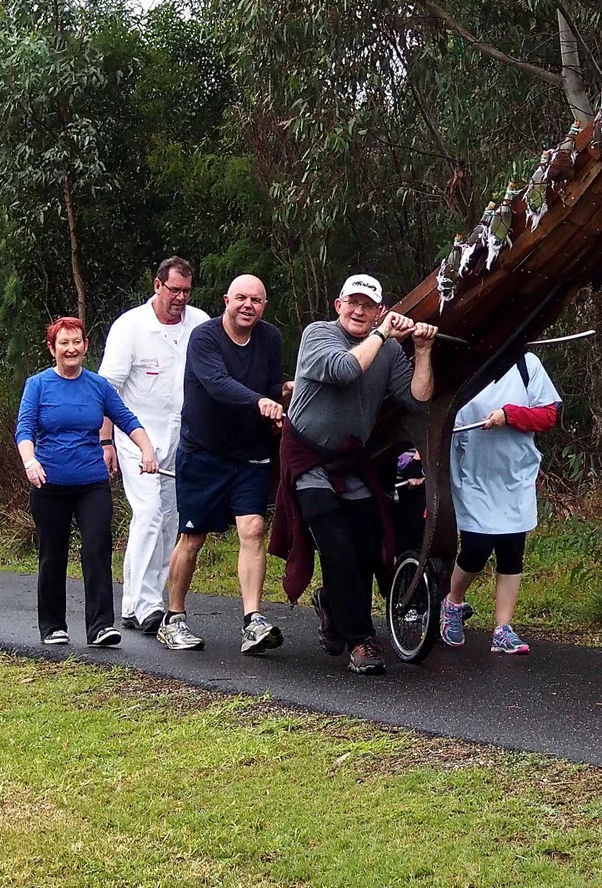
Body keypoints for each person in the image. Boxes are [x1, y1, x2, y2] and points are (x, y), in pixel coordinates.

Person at [269, 274, 437, 675]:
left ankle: (331, 602)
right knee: (335, 542)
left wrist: (423, 349)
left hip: (351, 460)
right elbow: (346, 370)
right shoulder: (318, 336)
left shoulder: (390, 350)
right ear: (338, 305)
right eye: (353, 303)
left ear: (379, 308)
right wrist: (383, 333)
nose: (360, 311)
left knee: (366, 548)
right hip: (307, 455)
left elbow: (417, 400)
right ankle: (361, 641)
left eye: (369, 306)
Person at [156, 274, 287, 655]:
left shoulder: (271, 338)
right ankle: (174, 618)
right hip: (203, 453)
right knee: (192, 538)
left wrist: (283, 392)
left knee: (253, 528)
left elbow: (270, 385)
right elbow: (217, 383)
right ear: (227, 300)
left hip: (250, 453)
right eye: (242, 298)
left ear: (264, 305)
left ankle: (253, 620)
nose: (249, 306)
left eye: (257, 300)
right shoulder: (205, 337)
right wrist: (260, 401)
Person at [16, 317, 159, 648]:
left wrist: (147, 450)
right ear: (52, 348)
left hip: (91, 482)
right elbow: (24, 429)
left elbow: (126, 419)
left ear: (85, 345)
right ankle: (52, 625)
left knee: (96, 546)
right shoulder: (37, 385)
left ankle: (100, 626)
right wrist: (30, 461)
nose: (71, 349)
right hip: (49, 482)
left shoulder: (98, 386)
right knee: (53, 553)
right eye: (64, 343)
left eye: (76, 342)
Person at [98, 256, 210, 634]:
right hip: (135, 436)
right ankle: (145, 605)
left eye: (186, 291)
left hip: (182, 440)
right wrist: (104, 441)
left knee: (171, 522)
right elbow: (107, 390)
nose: (179, 297)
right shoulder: (130, 327)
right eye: (173, 289)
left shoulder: (199, 322)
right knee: (148, 516)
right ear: (157, 285)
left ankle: (139, 602)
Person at [439, 353, 561, 655]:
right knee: (476, 547)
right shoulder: (462, 364)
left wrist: (509, 415)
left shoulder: (526, 363)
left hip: (514, 474)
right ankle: (452, 603)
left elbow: (547, 416)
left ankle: (502, 629)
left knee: (511, 550)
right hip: (472, 473)